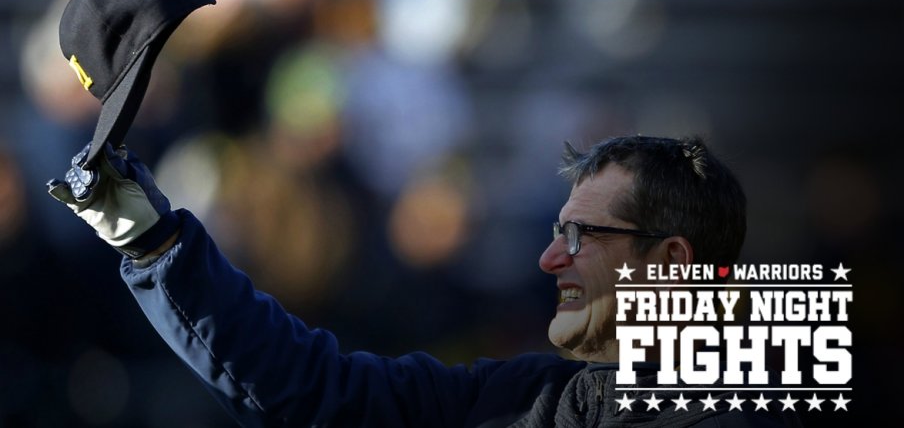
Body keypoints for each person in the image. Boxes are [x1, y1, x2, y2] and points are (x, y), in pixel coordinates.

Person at [47, 135, 800, 427]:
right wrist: (156, 243)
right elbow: (317, 391)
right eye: (554, 232)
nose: (551, 259)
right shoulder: (529, 398)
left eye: (582, 236)